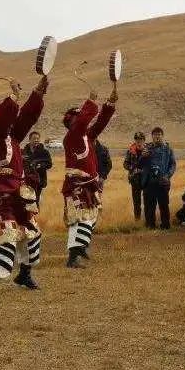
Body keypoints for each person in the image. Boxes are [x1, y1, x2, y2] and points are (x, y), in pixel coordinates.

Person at [0, 74, 47, 302]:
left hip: (18, 195)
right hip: (1, 198)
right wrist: (13, 96)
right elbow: (4, 121)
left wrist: (37, 93)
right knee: (7, 243)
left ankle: (24, 275)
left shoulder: (12, 137)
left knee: (31, 234)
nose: (12, 121)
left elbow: (27, 117)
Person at [61, 85, 117, 268]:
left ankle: (80, 247)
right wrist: (91, 101)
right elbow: (84, 120)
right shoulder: (71, 137)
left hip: (90, 184)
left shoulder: (87, 136)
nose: (81, 120)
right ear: (72, 122)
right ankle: (73, 257)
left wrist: (109, 104)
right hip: (77, 184)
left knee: (90, 217)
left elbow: (100, 123)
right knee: (80, 219)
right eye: (77, 118)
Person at [141, 127, 176, 229]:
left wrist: (168, 175)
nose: (157, 137)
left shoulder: (168, 150)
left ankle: (165, 225)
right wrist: (143, 156)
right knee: (149, 205)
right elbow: (140, 164)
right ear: (152, 137)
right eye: (155, 135)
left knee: (164, 204)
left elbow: (172, 164)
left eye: (159, 134)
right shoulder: (147, 148)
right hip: (149, 181)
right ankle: (150, 225)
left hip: (163, 180)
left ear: (162, 136)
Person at [23, 131, 53, 206]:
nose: (36, 140)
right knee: (26, 200)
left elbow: (49, 164)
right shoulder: (24, 151)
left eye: (37, 139)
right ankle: (28, 216)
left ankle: (36, 216)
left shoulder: (44, 152)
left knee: (35, 200)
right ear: (29, 139)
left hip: (39, 180)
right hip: (26, 180)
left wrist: (41, 165)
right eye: (34, 138)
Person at [123, 132, 147, 220]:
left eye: (141, 139)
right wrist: (132, 168)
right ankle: (137, 220)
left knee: (147, 200)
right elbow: (125, 164)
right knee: (136, 202)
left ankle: (148, 219)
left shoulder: (148, 150)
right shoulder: (130, 151)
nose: (139, 141)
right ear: (135, 140)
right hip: (135, 179)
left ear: (144, 140)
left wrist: (144, 170)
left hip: (146, 178)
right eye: (137, 139)